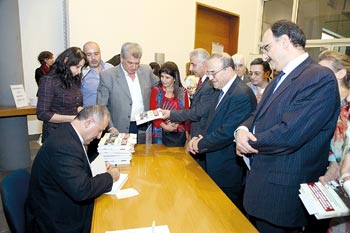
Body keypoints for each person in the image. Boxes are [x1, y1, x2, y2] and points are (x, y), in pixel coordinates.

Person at [234, 20, 339, 232]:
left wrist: (250, 143)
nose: (264, 56)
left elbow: (290, 133)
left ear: (284, 41)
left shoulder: (319, 77)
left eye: (266, 47)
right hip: (262, 188)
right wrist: (242, 130)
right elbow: (257, 115)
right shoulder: (277, 79)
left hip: (282, 195)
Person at [25, 105, 120, 233]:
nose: (99, 136)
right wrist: (110, 177)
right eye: (99, 131)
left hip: (60, 203)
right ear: (88, 122)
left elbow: (75, 167)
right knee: (111, 218)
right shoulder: (65, 147)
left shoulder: (68, 133)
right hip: (56, 222)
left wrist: (98, 168)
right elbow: (82, 190)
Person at [188, 52, 256, 211]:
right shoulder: (222, 89)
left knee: (227, 214)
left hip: (228, 167)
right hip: (214, 161)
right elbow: (213, 122)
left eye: (213, 73)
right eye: (209, 72)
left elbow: (227, 132)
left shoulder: (241, 94)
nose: (210, 77)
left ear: (228, 70)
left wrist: (200, 144)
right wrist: (201, 136)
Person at [161, 48, 217, 166]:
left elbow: (197, 112)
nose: (190, 69)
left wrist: (171, 114)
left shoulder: (209, 85)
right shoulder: (203, 82)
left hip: (202, 136)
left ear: (205, 64)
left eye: (193, 64)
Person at [97, 42, 158, 143]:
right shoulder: (107, 76)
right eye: (130, 63)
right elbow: (102, 106)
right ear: (121, 58)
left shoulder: (146, 70)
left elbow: (161, 86)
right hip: (119, 128)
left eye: (137, 63)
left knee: (143, 156)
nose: (134, 67)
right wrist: (110, 127)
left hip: (143, 126)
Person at [318, 50, 350, 233]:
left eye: (324, 71)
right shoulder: (327, 101)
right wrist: (332, 167)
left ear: (341, 73)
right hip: (332, 183)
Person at [36, 47, 88, 143]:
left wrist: (81, 110)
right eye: (77, 67)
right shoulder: (48, 81)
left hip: (72, 131)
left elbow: (72, 105)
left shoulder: (73, 79)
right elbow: (42, 114)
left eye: (81, 67)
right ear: (66, 61)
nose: (79, 71)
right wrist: (73, 118)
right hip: (55, 134)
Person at [150, 61, 189, 146]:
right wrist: (165, 126)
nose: (163, 80)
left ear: (174, 78)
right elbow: (153, 112)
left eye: (167, 77)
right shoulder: (156, 90)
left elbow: (186, 112)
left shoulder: (182, 92)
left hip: (178, 134)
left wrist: (176, 124)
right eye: (162, 76)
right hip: (159, 133)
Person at [81, 41, 113, 107]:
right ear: (84, 56)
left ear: (100, 53)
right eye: (89, 55)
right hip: (89, 115)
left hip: (109, 114)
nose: (93, 58)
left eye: (96, 54)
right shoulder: (81, 73)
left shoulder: (110, 68)